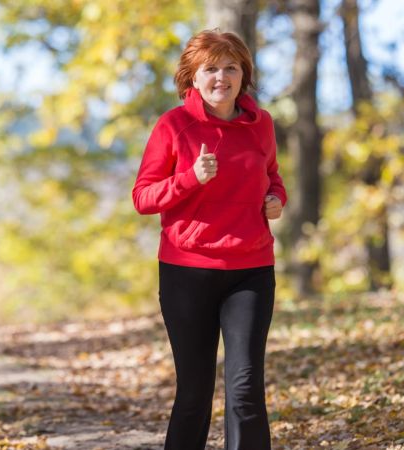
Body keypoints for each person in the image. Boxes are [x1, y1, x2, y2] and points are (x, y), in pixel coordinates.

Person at [131, 29, 286, 450]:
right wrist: (189, 179)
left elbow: (273, 177)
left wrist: (276, 198)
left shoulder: (261, 124)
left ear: (243, 74)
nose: (222, 76)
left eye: (231, 67)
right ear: (192, 79)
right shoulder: (173, 126)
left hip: (250, 271)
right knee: (195, 394)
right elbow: (143, 197)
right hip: (187, 272)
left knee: (246, 391)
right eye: (211, 68)